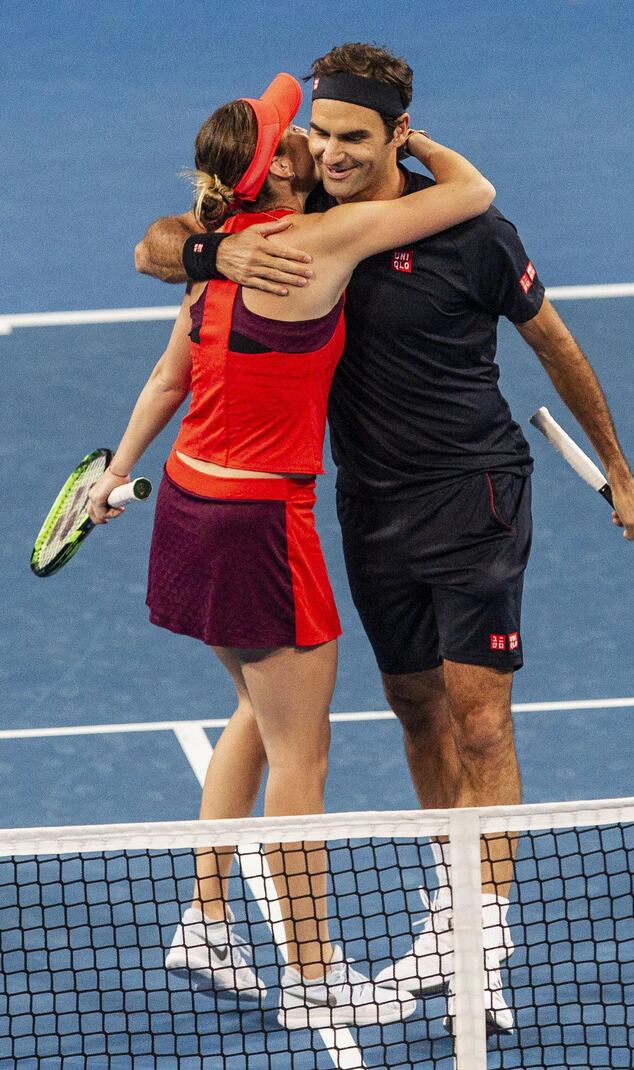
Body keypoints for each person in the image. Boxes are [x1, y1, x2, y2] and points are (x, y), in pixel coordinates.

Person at [135, 44, 634, 1036]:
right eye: (319, 136)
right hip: (368, 507)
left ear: (396, 137)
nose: (331, 153)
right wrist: (219, 252)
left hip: (474, 497)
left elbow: (553, 341)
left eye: (353, 138)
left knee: (478, 721)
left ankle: (482, 939)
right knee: (415, 708)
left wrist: (620, 469)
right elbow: (160, 243)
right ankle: (443, 907)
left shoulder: (466, 226)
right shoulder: (300, 219)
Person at [89, 71, 497, 1030]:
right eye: (298, 135)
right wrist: (415, 142)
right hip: (264, 521)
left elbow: (164, 375)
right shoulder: (323, 239)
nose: (317, 141)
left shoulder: (220, 254)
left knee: (251, 712)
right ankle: (315, 972)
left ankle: (206, 920)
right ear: (277, 166)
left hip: (187, 502)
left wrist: (117, 472)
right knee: (301, 755)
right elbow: (474, 196)